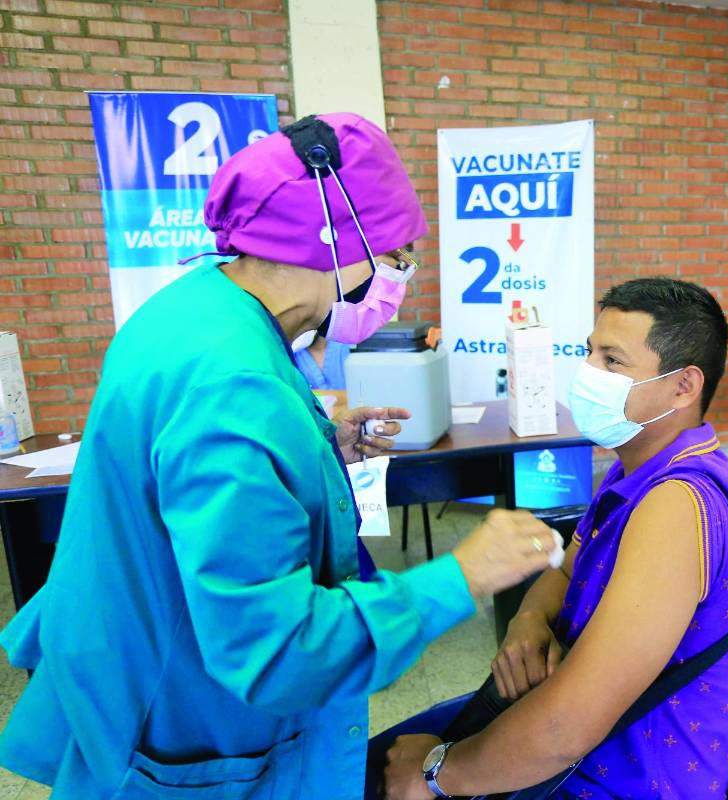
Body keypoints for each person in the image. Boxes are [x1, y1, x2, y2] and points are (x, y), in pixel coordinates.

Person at [0, 113, 559, 798]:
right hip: (184, 726)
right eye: (396, 257)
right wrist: (463, 575)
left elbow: (211, 477)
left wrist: (321, 442)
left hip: (130, 656)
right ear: (337, 237)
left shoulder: (199, 308)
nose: (396, 282)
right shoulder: (234, 384)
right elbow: (277, 651)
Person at [376, 278, 728, 799]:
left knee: (374, 776)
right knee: (372, 757)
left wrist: (436, 774)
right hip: (583, 739)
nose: (587, 372)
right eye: (589, 352)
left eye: (612, 360)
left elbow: (568, 728)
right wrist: (529, 620)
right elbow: (566, 569)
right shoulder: (639, 467)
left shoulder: (678, 505)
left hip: (622, 775)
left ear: (683, 386)